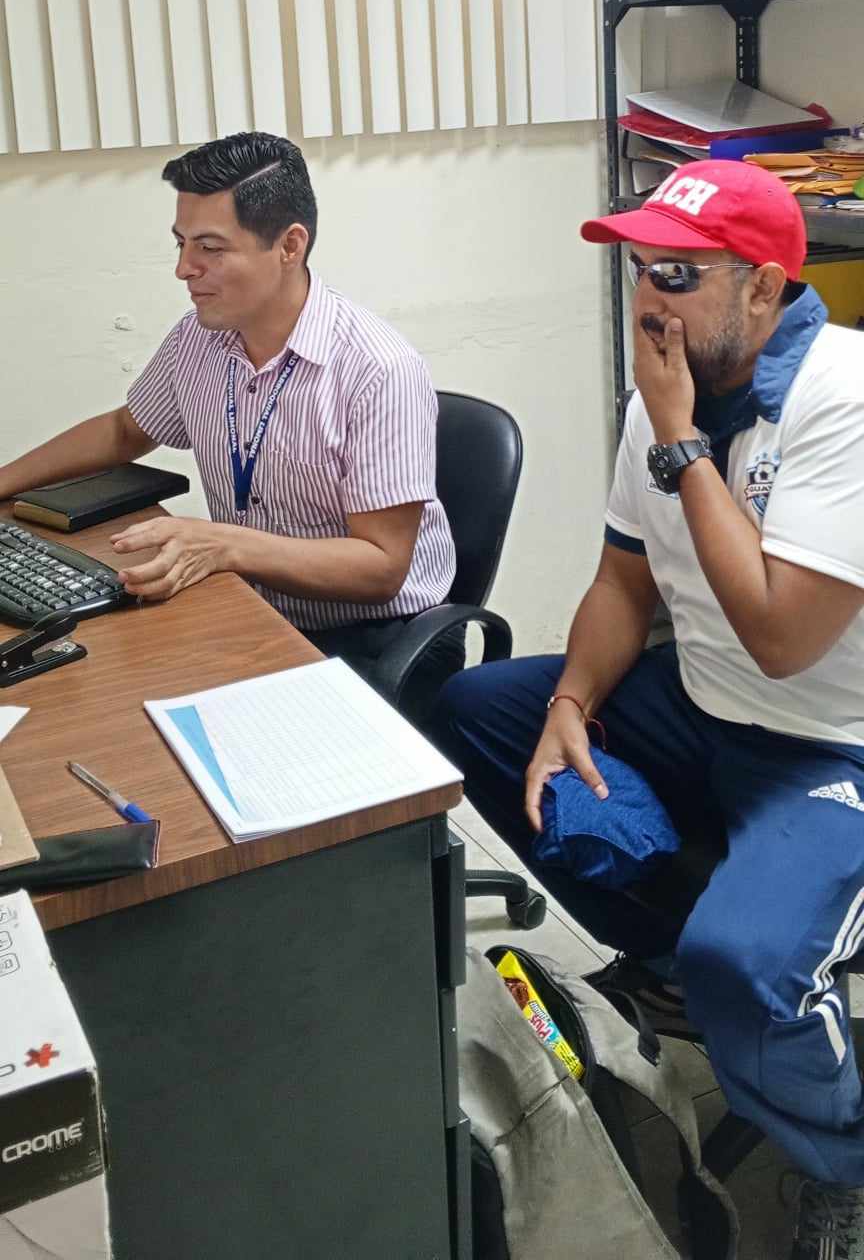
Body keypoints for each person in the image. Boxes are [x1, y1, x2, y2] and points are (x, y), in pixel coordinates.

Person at [432, 159, 864, 1259]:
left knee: (748, 963)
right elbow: (624, 583)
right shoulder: (665, 394)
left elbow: (780, 639)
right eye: (638, 270)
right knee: (477, 709)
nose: (647, 301)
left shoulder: (844, 401)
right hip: (703, 701)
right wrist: (572, 701)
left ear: (762, 288)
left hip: (831, 743)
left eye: (678, 275)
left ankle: (842, 1164)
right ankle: (669, 962)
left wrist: (680, 441)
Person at [0, 132, 458, 718]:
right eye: (181, 243)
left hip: (375, 636)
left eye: (210, 248)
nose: (183, 269)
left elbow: (382, 567)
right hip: (253, 602)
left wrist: (225, 545)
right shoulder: (200, 337)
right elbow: (125, 431)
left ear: (290, 245)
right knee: (98, 696)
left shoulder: (377, 369)